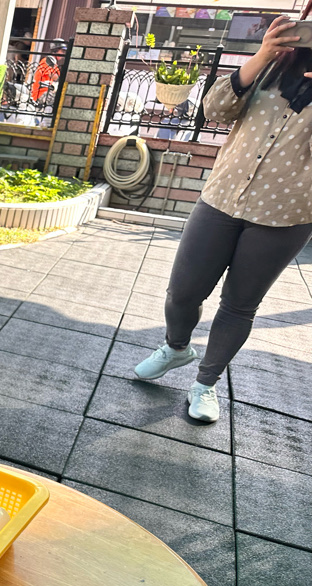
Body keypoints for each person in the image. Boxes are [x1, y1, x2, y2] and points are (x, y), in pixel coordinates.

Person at [134, 13, 312, 422]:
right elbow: (214, 109)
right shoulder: (270, 65)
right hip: (221, 198)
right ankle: (176, 347)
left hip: (286, 215)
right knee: (182, 292)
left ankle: (205, 384)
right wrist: (263, 54)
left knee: (239, 305)